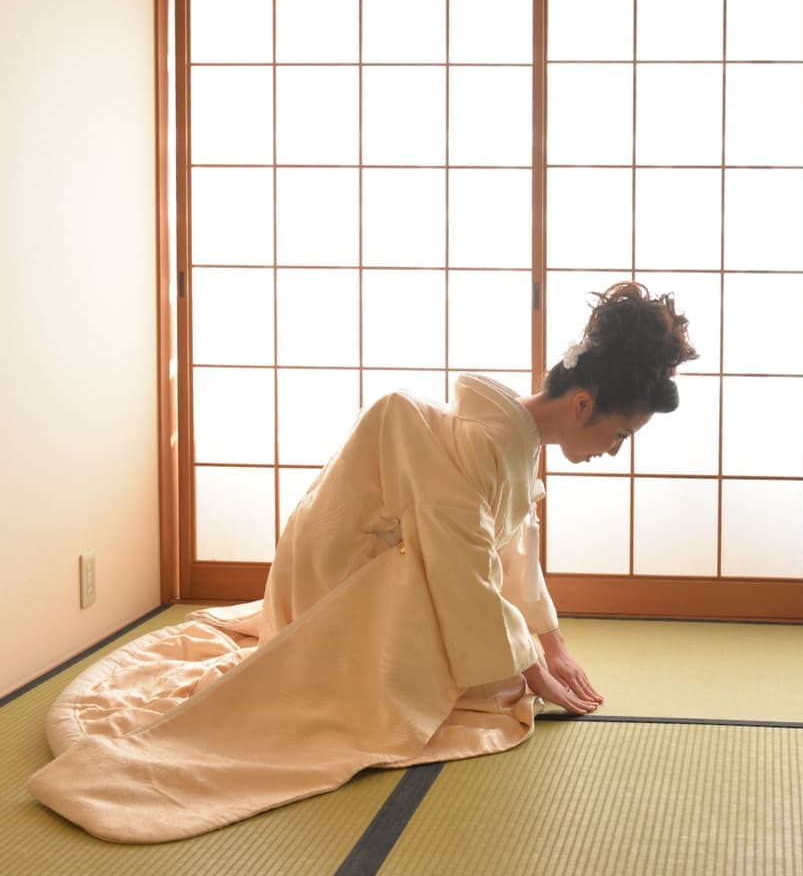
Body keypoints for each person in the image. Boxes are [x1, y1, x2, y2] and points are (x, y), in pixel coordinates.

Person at [30, 281, 698, 843]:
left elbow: (512, 549)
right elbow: (464, 571)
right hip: (334, 577)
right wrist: (530, 665)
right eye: (619, 434)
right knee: (447, 613)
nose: (615, 450)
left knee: (486, 653)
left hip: (388, 566)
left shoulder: (510, 442)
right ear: (583, 405)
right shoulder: (482, 438)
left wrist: (551, 645)